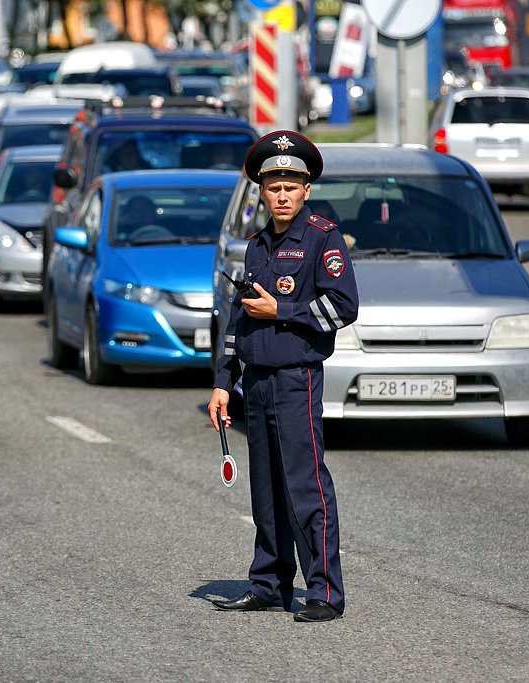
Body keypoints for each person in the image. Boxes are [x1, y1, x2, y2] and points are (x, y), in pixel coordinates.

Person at [208, 131, 359, 623]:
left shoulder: (322, 238)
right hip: (257, 383)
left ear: (307, 188)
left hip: (297, 379)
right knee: (266, 492)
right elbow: (238, 319)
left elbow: (344, 307)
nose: (282, 193)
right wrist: (222, 381)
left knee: (306, 487)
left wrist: (284, 311)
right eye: (273, 185)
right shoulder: (255, 247)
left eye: (291, 184)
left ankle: (325, 593)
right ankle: (269, 583)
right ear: (261, 191)